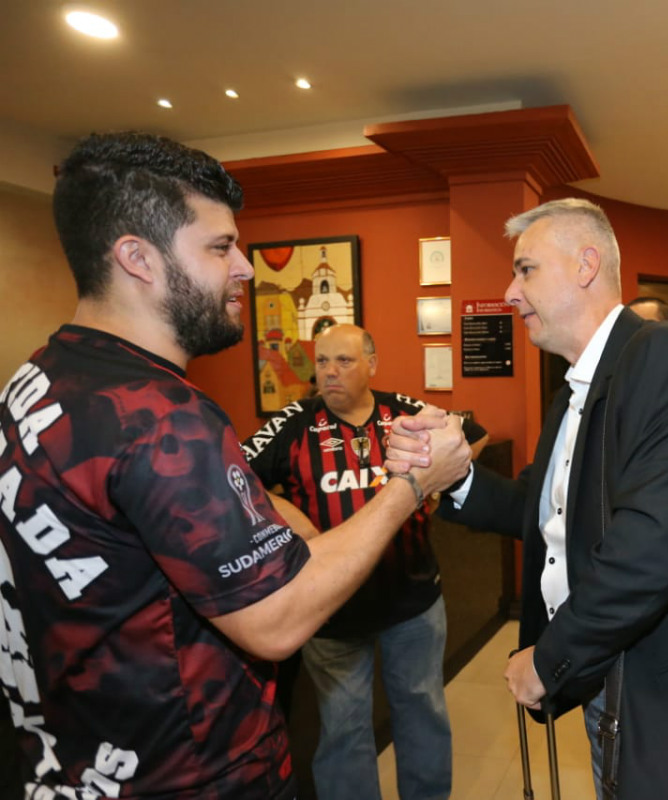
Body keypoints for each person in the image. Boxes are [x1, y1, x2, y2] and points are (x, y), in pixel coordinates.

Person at [0, 132, 470, 798]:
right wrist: (412, 486)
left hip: (74, 766)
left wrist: (289, 528)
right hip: (189, 774)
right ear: (137, 259)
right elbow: (277, 620)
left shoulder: (40, 379)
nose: (246, 267)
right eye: (221, 247)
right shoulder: (163, 419)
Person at [390, 198, 668, 799]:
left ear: (586, 265)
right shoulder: (574, 392)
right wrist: (454, 473)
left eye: (526, 269)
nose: (509, 293)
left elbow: (657, 547)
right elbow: (545, 514)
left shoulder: (663, 354)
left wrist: (547, 660)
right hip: (617, 687)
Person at [242, 323, 488, 800]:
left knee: (422, 711)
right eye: (322, 362)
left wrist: (438, 483)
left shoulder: (406, 413)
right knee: (344, 729)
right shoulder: (295, 421)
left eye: (344, 361)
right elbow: (238, 477)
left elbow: (473, 435)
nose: (329, 373)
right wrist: (298, 523)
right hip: (332, 610)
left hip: (412, 600)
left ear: (371, 364)